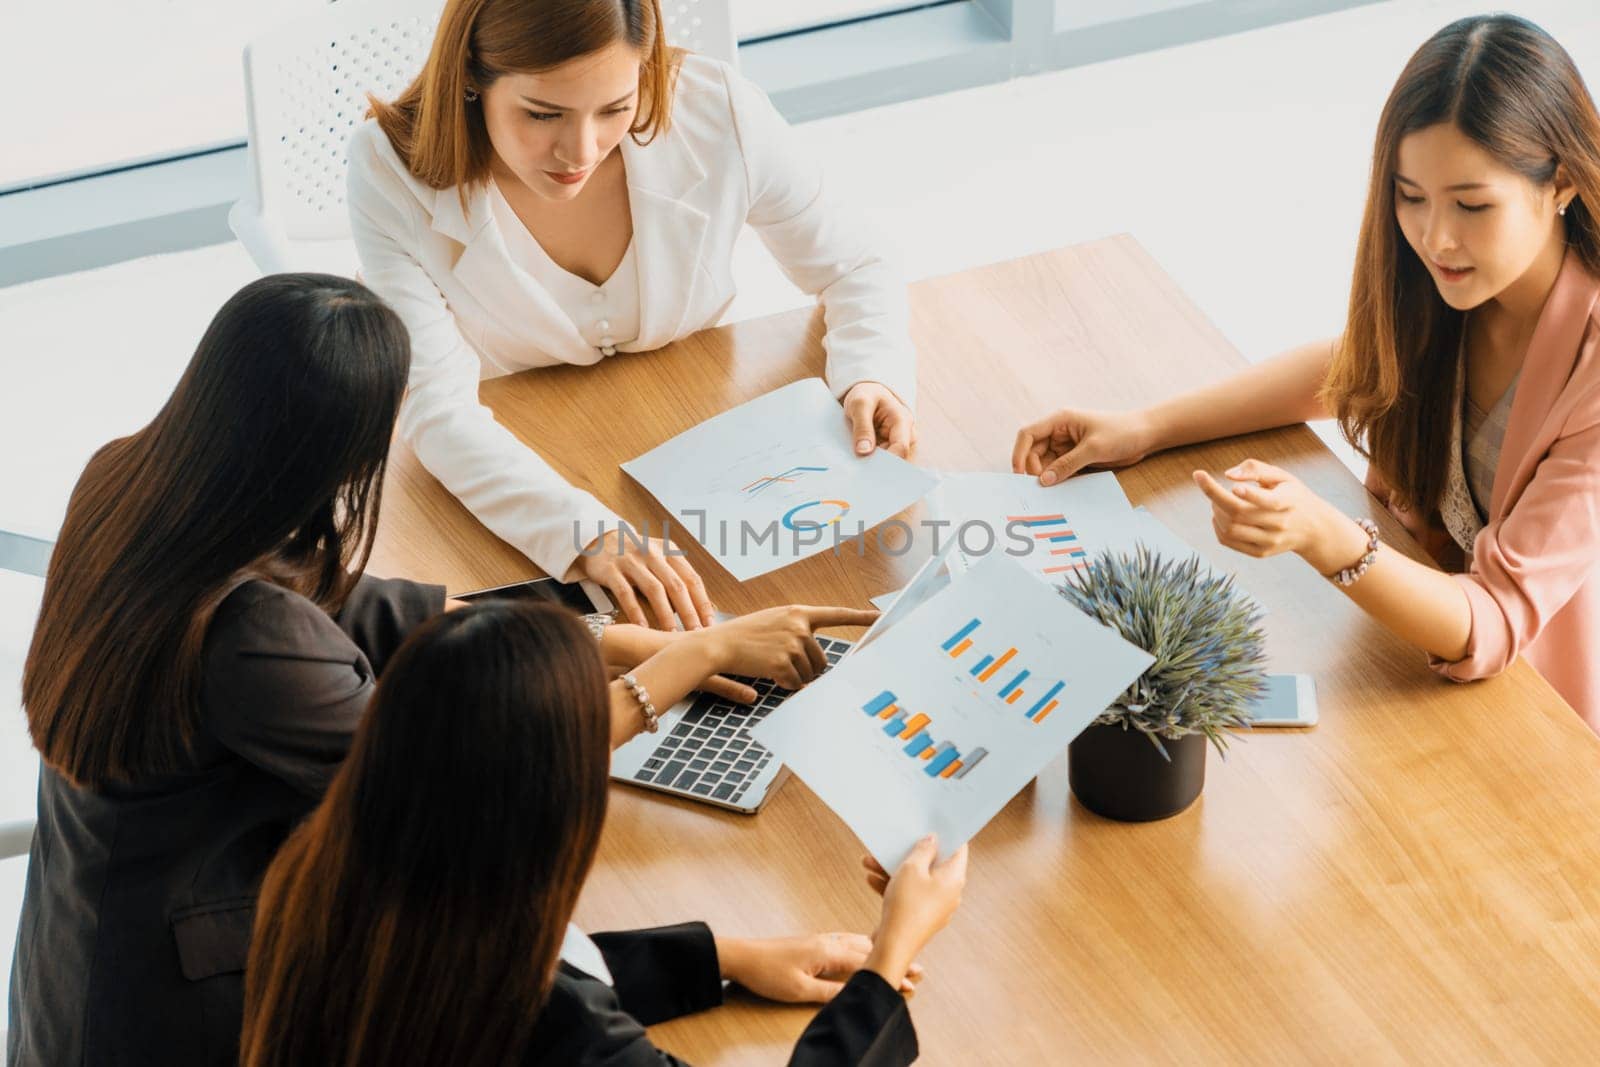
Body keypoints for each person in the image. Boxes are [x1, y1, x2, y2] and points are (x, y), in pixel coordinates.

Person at [7, 275, 867, 1066]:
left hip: (83, 945)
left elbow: (355, 604)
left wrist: (614, 639)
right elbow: (463, 779)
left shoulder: (129, 482)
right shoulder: (251, 641)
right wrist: (693, 658)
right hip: (185, 1012)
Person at [1013, 15, 1600, 730]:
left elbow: (1496, 616)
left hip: (1533, 726)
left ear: (1562, 182)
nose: (1435, 237)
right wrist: (1146, 426)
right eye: (1410, 195)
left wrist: (1330, 538)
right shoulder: (1453, 287)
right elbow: (1348, 368)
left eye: (1472, 205)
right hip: (1404, 673)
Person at [348, 0, 919, 630]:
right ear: (471, 78)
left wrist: (871, 372)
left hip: (703, 443)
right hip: (522, 458)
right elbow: (438, 410)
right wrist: (584, 535)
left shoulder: (716, 108)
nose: (581, 150)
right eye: (543, 114)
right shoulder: (386, 169)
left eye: (615, 108)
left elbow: (855, 263)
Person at [240, 601, 967, 1066]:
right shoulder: (568, 1036)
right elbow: (541, 1011)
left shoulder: (315, 883)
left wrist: (723, 955)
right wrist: (892, 953)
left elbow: (494, 976)